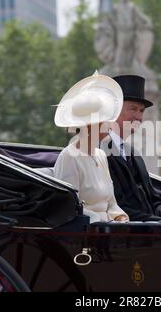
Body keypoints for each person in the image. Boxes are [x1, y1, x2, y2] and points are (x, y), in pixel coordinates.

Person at [102, 74, 161, 222]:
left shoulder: (133, 154)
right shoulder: (102, 151)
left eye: (141, 111)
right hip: (132, 229)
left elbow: (154, 202)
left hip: (152, 224)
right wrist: (160, 221)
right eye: (133, 109)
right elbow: (118, 206)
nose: (139, 116)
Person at [53, 72, 129, 224]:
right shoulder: (69, 157)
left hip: (107, 228)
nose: (111, 125)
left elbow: (111, 203)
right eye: (106, 120)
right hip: (86, 232)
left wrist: (120, 217)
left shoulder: (101, 155)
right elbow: (69, 206)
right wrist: (102, 221)